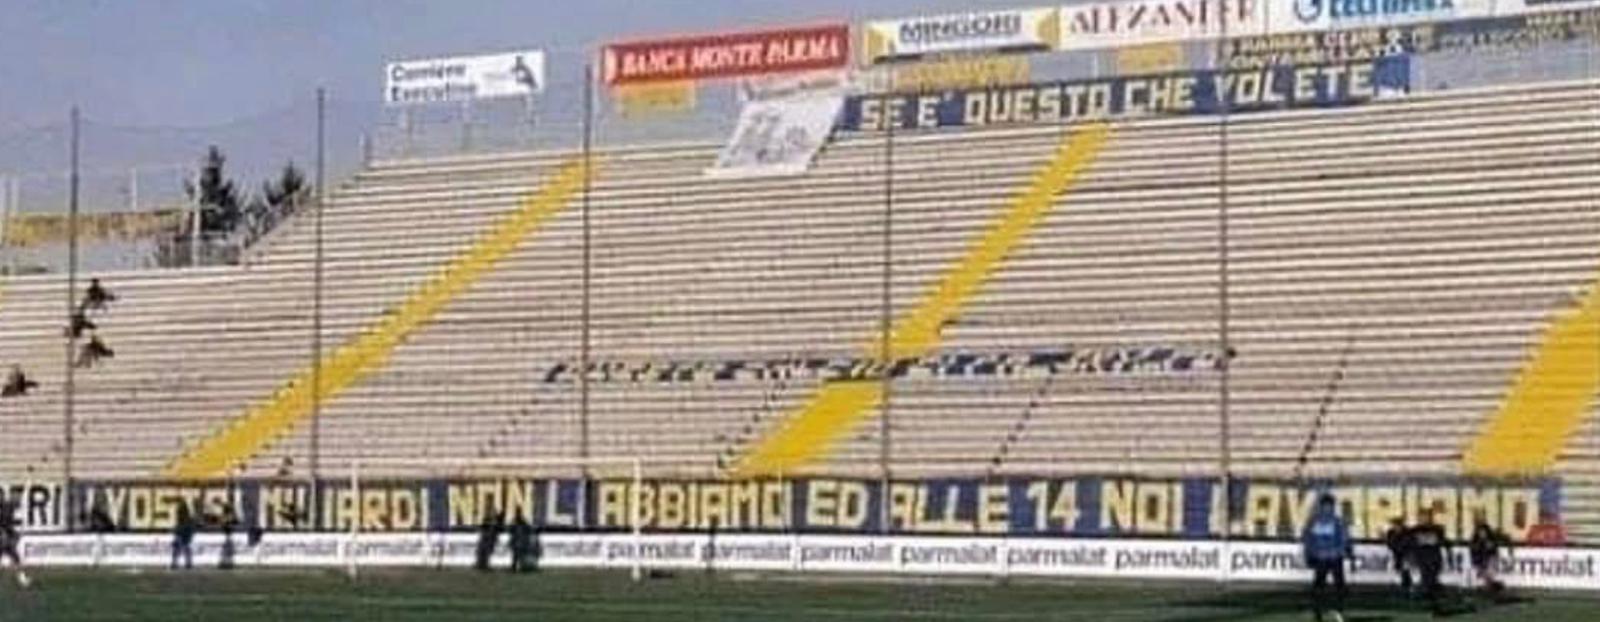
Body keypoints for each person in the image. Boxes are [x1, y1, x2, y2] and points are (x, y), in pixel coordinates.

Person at [1301, 494, 1352, 622]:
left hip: (1333, 557)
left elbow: (1344, 538)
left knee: (1337, 586)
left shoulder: (1336, 521)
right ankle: (1319, 612)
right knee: (1320, 587)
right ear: (1322, 506)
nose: (1328, 508)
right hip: (1323, 558)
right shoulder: (1315, 521)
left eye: (1330, 506)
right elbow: (1308, 539)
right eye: (1326, 505)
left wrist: (1344, 551)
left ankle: (1337, 610)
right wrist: (1308, 554)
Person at [1409, 508, 1451, 614]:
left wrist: (1448, 550)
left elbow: (1444, 542)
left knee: (1430, 581)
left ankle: (1435, 603)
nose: (1424, 519)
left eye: (1426, 517)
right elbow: (1410, 545)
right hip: (1422, 559)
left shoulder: (1437, 529)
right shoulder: (1414, 530)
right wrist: (1411, 557)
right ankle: (1436, 603)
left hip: (1434, 559)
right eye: (1422, 517)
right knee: (1428, 581)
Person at [1468, 517, 1511, 594]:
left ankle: (1492, 585)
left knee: (1488, 571)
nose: (1482, 534)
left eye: (1483, 532)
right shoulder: (1476, 542)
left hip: (1488, 560)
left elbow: (1494, 552)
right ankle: (1491, 584)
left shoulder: (1491, 541)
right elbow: (1474, 552)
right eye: (1480, 532)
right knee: (1485, 574)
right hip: (1482, 561)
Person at [0, 497, 30, 588]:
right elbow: (5, 526)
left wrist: (15, 533)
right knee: (15, 558)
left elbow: (9, 527)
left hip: (6, 540)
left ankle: (22, 578)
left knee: (16, 558)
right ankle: (22, 579)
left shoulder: (7, 513)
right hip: (3, 540)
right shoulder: (5, 514)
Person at [1384, 516, 1414, 594]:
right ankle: (1404, 585)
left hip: (1405, 554)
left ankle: (1407, 585)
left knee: (1405, 570)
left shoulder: (1407, 532)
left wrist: (1398, 546)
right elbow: (1389, 543)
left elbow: (1409, 542)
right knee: (1399, 569)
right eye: (1394, 525)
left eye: (1397, 525)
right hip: (1396, 554)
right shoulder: (1391, 532)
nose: (1396, 526)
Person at [475, 506, 504, 572]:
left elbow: (500, 529)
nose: (492, 513)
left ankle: (485, 564)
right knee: (482, 551)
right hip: (486, 538)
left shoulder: (497, 520)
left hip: (491, 538)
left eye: (494, 512)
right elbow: (482, 527)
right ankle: (481, 564)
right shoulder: (487, 519)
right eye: (492, 512)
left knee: (488, 552)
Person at [171, 501, 197, 570]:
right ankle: (186, 563)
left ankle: (180, 563)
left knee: (182, 549)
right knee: (183, 549)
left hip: (183, 533)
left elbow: (190, 526)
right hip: (183, 533)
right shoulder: (185, 518)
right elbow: (191, 527)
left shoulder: (186, 518)